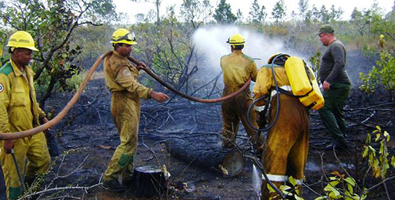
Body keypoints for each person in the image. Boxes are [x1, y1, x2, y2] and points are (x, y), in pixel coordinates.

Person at [102, 28, 169, 191]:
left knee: (130, 141)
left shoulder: (119, 59)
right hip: (124, 102)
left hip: (128, 101)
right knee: (128, 142)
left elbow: (127, 77)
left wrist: (136, 69)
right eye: (126, 46)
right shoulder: (118, 63)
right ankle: (110, 178)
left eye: (131, 45)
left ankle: (128, 177)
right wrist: (151, 93)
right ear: (117, 45)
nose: (130, 49)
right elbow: (130, 84)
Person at [0, 31, 51, 199]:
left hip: (33, 129)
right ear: (16, 52)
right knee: (14, 177)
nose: (31, 56)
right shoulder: (4, 75)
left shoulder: (28, 71)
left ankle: (30, 192)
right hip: (14, 134)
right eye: (28, 52)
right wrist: (7, 136)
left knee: (43, 162)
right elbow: (0, 108)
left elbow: (31, 100)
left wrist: (42, 116)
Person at [253, 53, 310, 199]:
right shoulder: (302, 72)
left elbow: (259, 96)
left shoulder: (268, 70)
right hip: (304, 118)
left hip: (284, 119)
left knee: (275, 158)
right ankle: (294, 195)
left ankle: (273, 196)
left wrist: (260, 118)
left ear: (273, 61)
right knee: (297, 160)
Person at [220, 33, 263, 152]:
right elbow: (256, 77)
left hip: (227, 96)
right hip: (243, 96)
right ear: (242, 46)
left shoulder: (223, 59)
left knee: (228, 124)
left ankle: (227, 148)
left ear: (232, 47)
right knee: (251, 123)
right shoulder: (249, 61)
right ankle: (260, 148)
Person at [317, 25, 351, 150]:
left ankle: (340, 140)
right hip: (337, 85)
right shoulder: (333, 46)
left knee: (323, 106)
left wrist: (328, 80)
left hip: (338, 84)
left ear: (326, 34)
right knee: (336, 112)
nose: (320, 40)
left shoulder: (336, 45)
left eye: (321, 36)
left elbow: (340, 63)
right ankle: (340, 139)